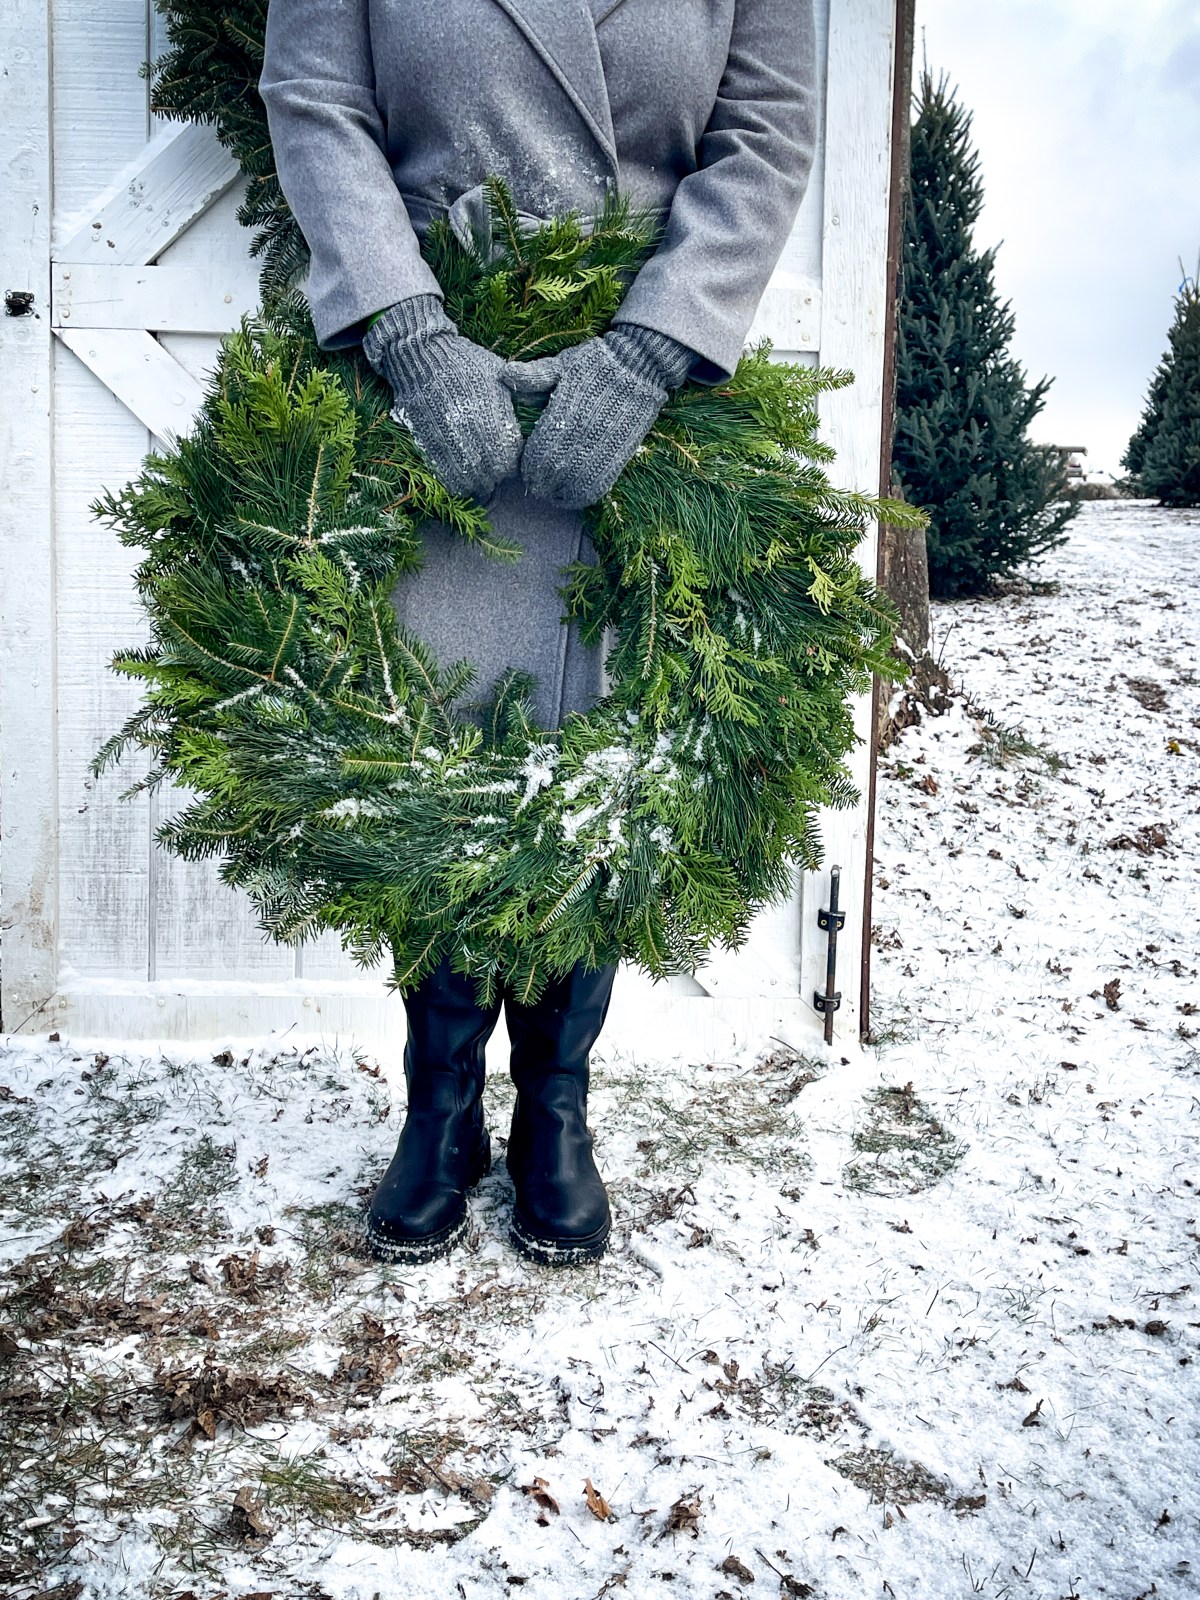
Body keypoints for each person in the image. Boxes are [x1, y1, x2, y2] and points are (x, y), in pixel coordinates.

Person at [258, 0, 818, 1268]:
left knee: (604, 761)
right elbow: (315, 96)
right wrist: (406, 330)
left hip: (642, 409)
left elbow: (768, 126)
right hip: (428, 391)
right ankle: (441, 1106)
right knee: (437, 755)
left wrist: (651, 348)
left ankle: (553, 1109)